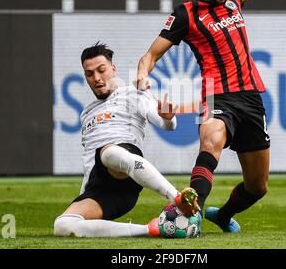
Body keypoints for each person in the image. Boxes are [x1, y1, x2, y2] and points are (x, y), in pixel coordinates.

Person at [136, 0, 270, 233]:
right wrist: (142, 73)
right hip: (216, 96)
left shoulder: (233, 0)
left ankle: (222, 215)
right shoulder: (186, 14)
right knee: (210, 144)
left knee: (257, 187)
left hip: (251, 98)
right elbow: (151, 54)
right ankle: (191, 215)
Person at [54, 42, 200, 238]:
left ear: (113, 69)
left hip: (124, 165)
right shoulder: (86, 113)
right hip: (104, 188)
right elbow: (89, 160)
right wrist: (84, 194)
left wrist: (168, 118)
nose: (97, 78)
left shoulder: (133, 93)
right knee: (63, 226)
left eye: (101, 70)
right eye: (90, 74)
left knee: (109, 153)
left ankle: (176, 197)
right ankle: (152, 229)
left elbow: (165, 122)